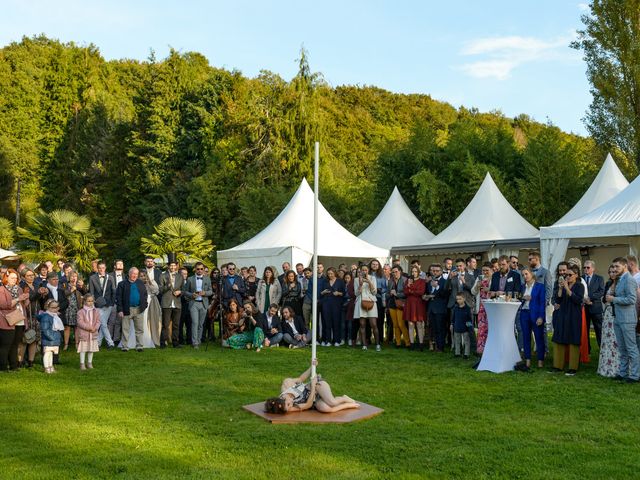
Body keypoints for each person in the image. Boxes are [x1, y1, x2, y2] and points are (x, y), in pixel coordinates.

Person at [264, 361, 360, 414]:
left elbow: (301, 378)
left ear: (283, 398)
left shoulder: (287, 384)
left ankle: (343, 399)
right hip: (313, 399)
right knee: (325, 409)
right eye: (288, 408)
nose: (291, 406)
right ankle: (347, 405)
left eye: (289, 404)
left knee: (332, 402)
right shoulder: (287, 408)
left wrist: (312, 367)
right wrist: (313, 387)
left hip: (317, 386)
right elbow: (308, 405)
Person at [606, 257, 639, 382]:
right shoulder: (620, 279)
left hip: (628, 319)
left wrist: (614, 299)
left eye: (617, 267)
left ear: (625, 266)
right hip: (618, 318)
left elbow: (631, 299)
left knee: (631, 348)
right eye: (613, 267)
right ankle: (623, 373)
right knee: (622, 348)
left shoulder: (629, 280)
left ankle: (635, 375)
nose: (614, 269)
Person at [550, 264, 585, 376]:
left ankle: (572, 368)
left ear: (576, 275)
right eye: (566, 275)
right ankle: (557, 366)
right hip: (562, 314)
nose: (567, 277)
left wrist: (566, 287)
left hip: (574, 315)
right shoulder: (563, 285)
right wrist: (561, 288)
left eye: (570, 275)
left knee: (573, 339)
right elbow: (558, 299)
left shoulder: (579, 286)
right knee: (558, 338)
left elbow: (577, 299)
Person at [0, 269, 29, 371]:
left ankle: (14, 366)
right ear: (6, 278)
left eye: (16, 278)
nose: (14, 280)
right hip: (7, 320)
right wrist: (18, 299)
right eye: (12, 278)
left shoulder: (19, 289)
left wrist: (26, 299)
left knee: (15, 343)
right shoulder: (2, 290)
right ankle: (3, 367)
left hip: (19, 318)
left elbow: (24, 305)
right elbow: (3, 305)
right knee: (6, 344)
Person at [115, 267, 149, 352]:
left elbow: (145, 295)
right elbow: (118, 298)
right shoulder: (122, 284)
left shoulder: (140, 283)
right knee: (125, 329)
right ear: (129, 274)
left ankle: (139, 346)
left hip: (139, 309)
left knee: (139, 329)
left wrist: (144, 305)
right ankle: (125, 347)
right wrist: (120, 310)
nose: (134, 275)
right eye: (133, 273)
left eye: (136, 274)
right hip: (127, 309)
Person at [519, 267, 546, 370]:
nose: (525, 276)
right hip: (524, 313)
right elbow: (519, 298)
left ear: (531, 274)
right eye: (523, 275)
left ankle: (540, 360)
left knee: (539, 337)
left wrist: (541, 317)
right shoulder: (522, 287)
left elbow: (542, 303)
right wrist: (523, 298)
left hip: (536, 314)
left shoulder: (540, 286)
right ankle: (527, 360)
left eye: (526, 274)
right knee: (526, 337)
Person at [182, 262, 213, 349]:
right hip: (194, 303)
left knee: (201, 324)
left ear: (203, 270)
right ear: (195, 269)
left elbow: (211, 291)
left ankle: (198, 340)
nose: (199, 270)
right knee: (195, 323)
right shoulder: (190, 279)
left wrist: (205, 293)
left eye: (201, 269)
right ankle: (194, 342)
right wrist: (192, 295)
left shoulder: (207, 279)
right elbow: (185, 291)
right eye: (198, 269)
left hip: (203, 303)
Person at [598, 265, 620, 377]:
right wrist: (605, 299)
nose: (612, 274)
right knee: (607, 339)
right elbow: (603, 298)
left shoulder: (621, 284)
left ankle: (616, 368)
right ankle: (606, 367)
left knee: (615, 340)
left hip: (616, 313)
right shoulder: (607, 284)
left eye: (614, 272)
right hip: (607, 313)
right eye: (610, 272)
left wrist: (612, 300)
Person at [88, 261, 116, 349]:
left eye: (103, 268)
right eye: (99, 268)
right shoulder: (92, 278)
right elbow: (91, 292)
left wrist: (111, 302)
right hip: (97, 304)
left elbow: (114, 291)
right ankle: (110, 343)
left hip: (108, 304)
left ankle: (98, 343)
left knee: (102, 323)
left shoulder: (110, 277)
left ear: (105, 268)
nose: (101, 270)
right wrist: (93, 304)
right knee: (103, 323)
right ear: (97, 268)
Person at [159, 260, 184, 348]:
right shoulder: (163, 275)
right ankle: (163, 342)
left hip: (177, 303)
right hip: (166, 303)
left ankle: (175, 342)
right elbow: (161, 290)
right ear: (168, 266)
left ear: (176, 266)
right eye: (171, 266)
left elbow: (183, 289)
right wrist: (168, 286)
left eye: (174, 266)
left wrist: (180, 292)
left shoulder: (180, 276)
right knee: (165, 324)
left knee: (176, 325)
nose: (173, 267)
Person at [355, 264, 379, 351]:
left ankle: (377, 344)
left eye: (366, 270)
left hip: (371, 302)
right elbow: (356, 294)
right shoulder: (356, 280)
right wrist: (360, 285)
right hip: (361, 303)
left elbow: (374, 292)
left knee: (373, 324)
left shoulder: (372, 278)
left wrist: (369, 282)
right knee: (362, 324)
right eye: (363, 270)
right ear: (360, 271)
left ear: (368, 270)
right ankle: (364, 345)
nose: (364, 271)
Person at [19, 268, 40, 368]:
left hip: (36, 315)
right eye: (29, 275)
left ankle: (31, 361)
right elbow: (30, 297)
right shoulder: (22, 286)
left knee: (34, 339)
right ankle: (20, 361)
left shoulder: (36, 285)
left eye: (32, 275)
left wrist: (43, 293)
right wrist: (39, 293)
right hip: (26, 315)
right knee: (24, 340)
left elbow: (40, 300)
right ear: (24, 277)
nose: (31, 277)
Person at [471, 263, 492, 355]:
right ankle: (481, 350)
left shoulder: (494, 278)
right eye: (483, 270)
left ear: (491, 270)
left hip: (491, 307)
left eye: (487, 270)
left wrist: (489, 290)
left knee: (490, 328)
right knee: (481, 328)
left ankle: (490, 348)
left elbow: (496, 291)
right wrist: (477, 286)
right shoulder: (479, 278)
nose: (485, 272)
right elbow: (473, 292)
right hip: (481, 307)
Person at [320, 267, 345, 347]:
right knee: (327, 322)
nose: (330, 275)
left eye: (331, 273)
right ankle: (328, 341)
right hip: (326, 303)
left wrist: (338, 293)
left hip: (336, 303)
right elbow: (321, 292)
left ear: (335, 273)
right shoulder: (325, 281)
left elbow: (344, 293)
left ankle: (336, 340)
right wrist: (323, 292)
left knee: (336, 322)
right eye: (328, 274)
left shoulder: (340, 281)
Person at [583, 260, 605, 351]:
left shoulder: (599, 278)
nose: (586, 269)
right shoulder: (580, 278)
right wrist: (585, 299)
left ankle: (602, 349)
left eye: (588, 267)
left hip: (595, 307)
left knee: (599, 330)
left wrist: (590, 298)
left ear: (593, 268)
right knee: (585, 330)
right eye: (584, 267)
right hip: (584, 308)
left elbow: (601, 291)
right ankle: (587, 350)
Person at [404, 266, 427, 351]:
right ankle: (412, 344)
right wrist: (409, 286)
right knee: (410, 324)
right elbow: (405, 292)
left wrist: (411, 290)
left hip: (418, 304)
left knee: (419, 324)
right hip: (409, 303)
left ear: (418, 272)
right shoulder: (408, 281)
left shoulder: (422, 281)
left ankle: (421, 344)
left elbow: (421, 292)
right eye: (412, 271)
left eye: (415, 271)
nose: (414, 273)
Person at [75, 293, 100, 370]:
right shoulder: (81, 312)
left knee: (91, 349)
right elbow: (80, 322)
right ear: (84, 301)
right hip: (84, 334)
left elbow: (98, 321)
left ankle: (89, 363)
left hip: (93, 333)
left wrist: (95, 328)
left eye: (92, 301)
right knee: (83, 349)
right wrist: (89, 327)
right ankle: (82, 364)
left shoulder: (96, 311)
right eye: (88, 301)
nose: (90, 302)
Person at [39, 299, 64, 374]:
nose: (55, 309)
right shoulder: (46, 317)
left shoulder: (55, 316)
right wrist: (51, 337)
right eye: (53, 307)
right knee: (47, 353)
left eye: (56, 307)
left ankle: (51, 366)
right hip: (49, 339)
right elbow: (45, 329)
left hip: (54, 338)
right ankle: (46, 367)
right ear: (47, 307)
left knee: (51, 353)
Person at [427, 264, 449, 352]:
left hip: (440, 308)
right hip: (431, 308)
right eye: (433, 271)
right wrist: (426, 296)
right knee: (434, 328)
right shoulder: (429, 281)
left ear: (441, 272)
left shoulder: (445, 281)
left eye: (437, 271)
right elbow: (429, 292)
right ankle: (436, 346)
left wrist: (437, 286)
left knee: (441, 328)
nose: (435, 272)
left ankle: (441, 347)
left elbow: (445, 294)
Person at [139, 270, 162, 347]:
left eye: (144, 276)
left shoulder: (152, 282)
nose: (143, 277)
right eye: (141, 276)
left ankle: (155, 339)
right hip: (142, 303)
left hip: (152, 303)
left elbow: (156, 291)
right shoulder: (138, 284)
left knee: (153, 321)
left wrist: (149, 283)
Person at [388, 266, 409, 348]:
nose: (394, 273)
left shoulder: (404, 280)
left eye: (396, 271)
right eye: (393, 272)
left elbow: (406, 293)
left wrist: (396, 293)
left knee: (401, 324)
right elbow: (386, 293)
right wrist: (390, 293)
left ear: (400, 271)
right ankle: (398, 343)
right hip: (392, 304)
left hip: (401, 304)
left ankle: (407, 343)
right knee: (395, 324)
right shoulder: (390, 281)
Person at [63, 270, 84, 351]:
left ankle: (77, 343)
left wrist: (81, 287)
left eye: (75, 276)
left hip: (77, 308)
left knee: (76, 327)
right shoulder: (65, 285)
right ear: (69, 277)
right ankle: (66, 344)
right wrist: (71, 290)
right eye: (72, 276)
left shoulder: (79, 286)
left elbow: (85, 292)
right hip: (68, 308)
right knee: (67, 327)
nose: (73, 278)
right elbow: (63, 294)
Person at [108, 259, 126, 345]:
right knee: (111, 321)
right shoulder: (109, 276)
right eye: (118, 264)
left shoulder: (126, 276)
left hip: (122, 302)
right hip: (112, 302)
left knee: (119, 321)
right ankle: (109, 339)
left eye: (121, 264)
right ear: (114, 266)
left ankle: (116, 339)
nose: (120, 265)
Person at [452, 293, 472, 359]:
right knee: (457, 340)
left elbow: (469, 319)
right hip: (457, 327)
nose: (458, 300)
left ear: (464, 299)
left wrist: (469, 328)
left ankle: (466, 354)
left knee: (466, 341)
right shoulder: (455, 308)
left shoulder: (467, 308)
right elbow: (453, 317)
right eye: (457, 299)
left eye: (460, 299)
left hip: (465, 328)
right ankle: (457, 353)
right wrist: (452, 324)